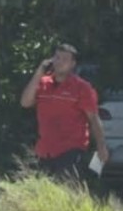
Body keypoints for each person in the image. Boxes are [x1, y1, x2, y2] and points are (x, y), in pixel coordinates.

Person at [19, 43, 109, 182]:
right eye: (57, 58)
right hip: (45, 149)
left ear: (73, 64)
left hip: (71, 148)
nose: (59, 62)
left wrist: (101, 145)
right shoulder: (42, 83)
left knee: (67, 189)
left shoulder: (82, 88)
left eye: (64, 59)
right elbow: (25, 103)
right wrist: (39, 72)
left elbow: (93, 118)